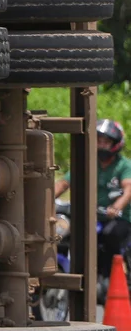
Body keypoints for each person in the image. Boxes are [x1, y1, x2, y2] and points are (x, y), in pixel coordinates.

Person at [55, 119, 131, 295]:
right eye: (98, 140)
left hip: (118, 217)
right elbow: (64, 183)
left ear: (115, 144)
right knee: (67, 232)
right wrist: (46, 199)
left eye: (106, 141)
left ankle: (108, 276)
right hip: (90, 215)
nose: (101, 145)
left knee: (110, 234)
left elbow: (128, 189)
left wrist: (116, 207)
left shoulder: (123, 165)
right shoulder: (87, 161)